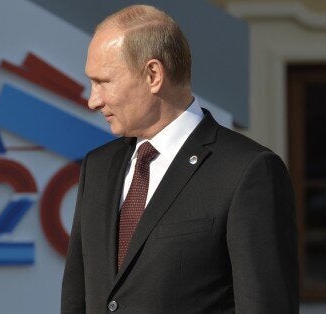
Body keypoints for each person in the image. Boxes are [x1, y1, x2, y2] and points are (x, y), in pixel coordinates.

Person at [61, 4, 298, 313]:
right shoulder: (97, 167)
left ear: (153, 75)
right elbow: (76, 300)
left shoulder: (247, 171)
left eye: (104, 82)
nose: (93, 100)